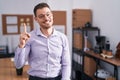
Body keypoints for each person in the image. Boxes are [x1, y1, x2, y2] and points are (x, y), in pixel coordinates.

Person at [14, 2, 71, 80]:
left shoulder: (62, 38)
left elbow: (66, 64)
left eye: (48, 14)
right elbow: (18, 65)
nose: (46, 18)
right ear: (36, 19)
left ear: (52, 15)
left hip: (57, 78)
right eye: (41, 16)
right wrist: (21, 45)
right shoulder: (29, 37)